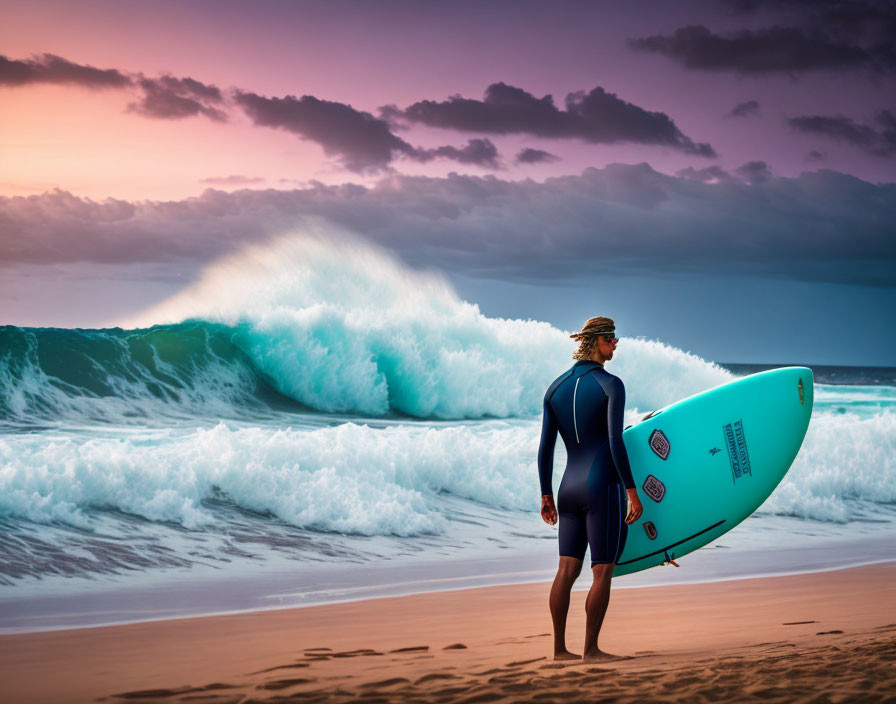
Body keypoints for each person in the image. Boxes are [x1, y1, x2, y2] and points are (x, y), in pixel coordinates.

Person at [537, 316, 643, 662]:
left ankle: (558, 651)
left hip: (567, 488)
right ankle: (591, 650)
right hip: (600, 486)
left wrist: (545, 494)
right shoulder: (611, 384)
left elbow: (545, 449)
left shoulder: (554, 389)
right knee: (602, 570)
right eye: (611, 338)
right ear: (597, 341)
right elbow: (614, 441)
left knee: (566, 570)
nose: (616, 344)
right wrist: (631, 490)